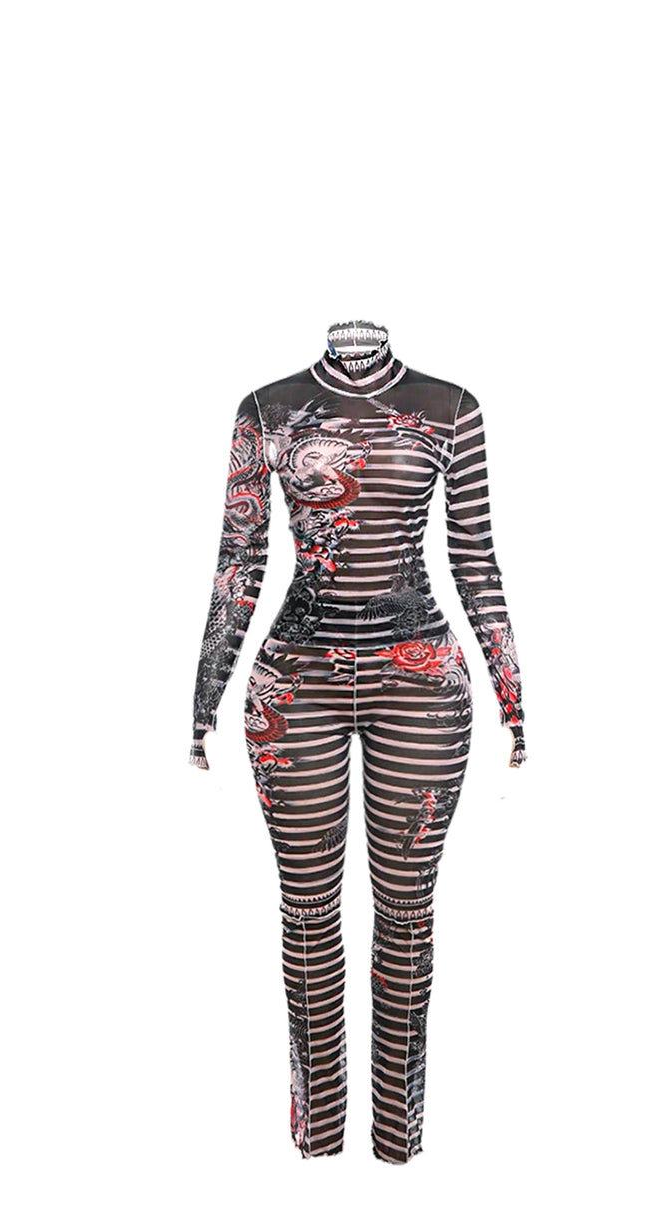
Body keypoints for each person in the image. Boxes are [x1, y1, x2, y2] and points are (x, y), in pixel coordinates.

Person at [190, 320, 526, 1162]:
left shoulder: (451, 408)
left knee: (407, 913)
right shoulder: (266, 410)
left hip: (421, 681)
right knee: (307, 912)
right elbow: (239, 558)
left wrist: (512, 694)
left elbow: (476, 558)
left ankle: (397, 1143)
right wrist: (205, 696)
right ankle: (319, 1141)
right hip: (294, 680)